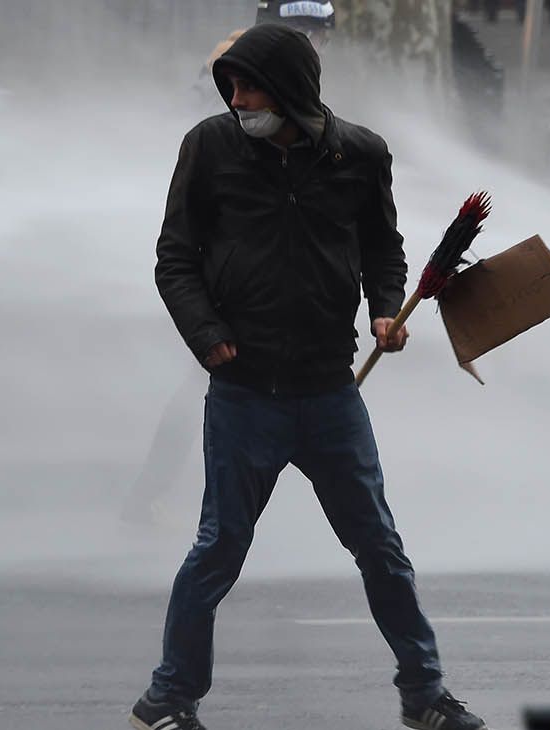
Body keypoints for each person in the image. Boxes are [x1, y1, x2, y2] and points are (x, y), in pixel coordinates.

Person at [128, 23, 488, 730]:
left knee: (380, 548)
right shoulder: (209, 147)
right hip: (243, 395)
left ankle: (425, 695)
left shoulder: (360, 155)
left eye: (250, 85)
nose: (237, 99)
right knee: (219, 549)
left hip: (330, 394)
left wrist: (388, 311)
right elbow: (175, 258)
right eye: (230, 86)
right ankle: (168, 699)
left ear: (292, 89)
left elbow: (384, 250)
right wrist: (208, 338)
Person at [126, 0, 340, 527]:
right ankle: (189, 506)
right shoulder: (240, 63)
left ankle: (185, 501)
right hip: (227, 257)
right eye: (304, 30)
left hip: (256, 253)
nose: (315, 42)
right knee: (211, 379)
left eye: (320, 31)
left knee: (211, 384)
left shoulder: (269, 62)